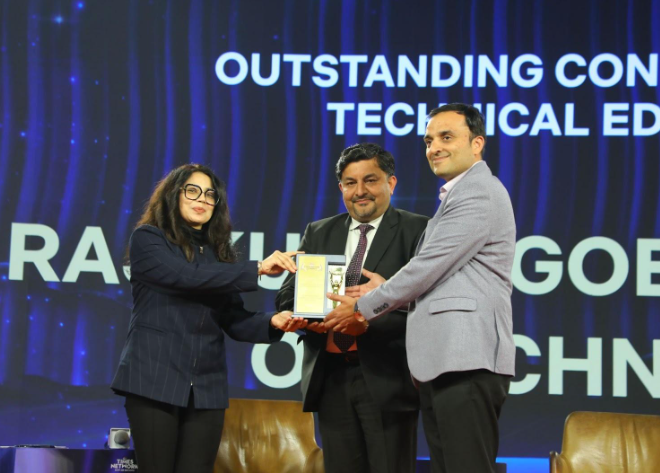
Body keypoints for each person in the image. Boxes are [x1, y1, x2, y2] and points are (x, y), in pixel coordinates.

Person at [325, 104, 516, 473]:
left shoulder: (478, 192)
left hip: (466, 360)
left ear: (477, 144)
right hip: (445, 362)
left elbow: (427, 268)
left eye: (447, 137)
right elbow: (441, 280)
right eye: (429, 141)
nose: (434, 148)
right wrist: (390, 294)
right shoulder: (456, 196)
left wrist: (364, 305)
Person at [111, 163, 307, 473]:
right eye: (192, 191)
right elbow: (185, 276)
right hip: (154, 380)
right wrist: (257, 268)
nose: (202, 199)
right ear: (173, 195)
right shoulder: (148, 239)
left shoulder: (218, 254)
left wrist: (273, 322)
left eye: (210, 194)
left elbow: (233, 319)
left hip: (206, 388)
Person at [275, 143, 429, 473]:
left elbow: (428, 307)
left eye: (370, 180)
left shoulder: (418, 230)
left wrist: (368, 319)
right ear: (341, 187)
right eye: (350, 183)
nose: (360, 191)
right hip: (331, 377)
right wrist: (307, 318)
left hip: (388, 378)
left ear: (391, 183)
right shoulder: (319, 231)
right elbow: (286, 297)